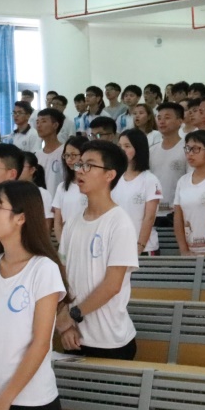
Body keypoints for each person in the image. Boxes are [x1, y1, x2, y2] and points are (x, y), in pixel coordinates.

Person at [0, 181, 69, 410]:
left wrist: (6, 399)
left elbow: (41, 343)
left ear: (21, 217)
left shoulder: (43, 269)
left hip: (33, 404)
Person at [56, 141, 140, 359]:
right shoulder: (73, 222)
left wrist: (72, 315)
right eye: (79, 164)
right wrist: (65, 323)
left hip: (110, 341)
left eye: (89, 165)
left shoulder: (120, 223)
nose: (80, 170)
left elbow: (112, 285)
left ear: (109, 175)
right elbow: (62, 276)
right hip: (74, 337)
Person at [112, 128, 163, 257]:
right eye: (120, 146)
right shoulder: (114, 178)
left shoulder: (150, 180)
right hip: (118, 247)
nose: (122, 150)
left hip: (144, 248)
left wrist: (140, 245)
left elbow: (149, 217)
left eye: (127, 146)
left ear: (138, 148)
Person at [50, 136, 90, 241]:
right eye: (66, 155)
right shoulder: (61, 187)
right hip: (66, 241)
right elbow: (57, 222)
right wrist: (62, 243)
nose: (69, 159)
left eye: (73, 155)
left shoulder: (94, 185)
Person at [34, 108, 66, 206]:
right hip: (41, 205)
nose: (39, 125)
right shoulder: (36, 155)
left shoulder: (65, 152)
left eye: (43, 121)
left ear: (55, 125)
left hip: (60, 205)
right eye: (37, 122)